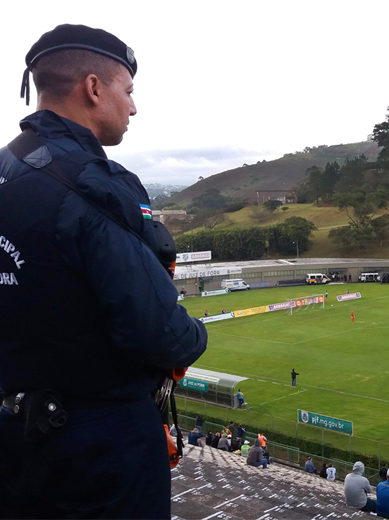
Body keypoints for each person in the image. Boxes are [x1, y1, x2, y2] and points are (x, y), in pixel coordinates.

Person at [0, 24, 208, 519]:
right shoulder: (96, 183)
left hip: (16, 436)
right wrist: (195, 333)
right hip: (98, 450)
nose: (133, 107)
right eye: (129, 91)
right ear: (93, 88)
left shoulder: (7, 169)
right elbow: (161, 334)